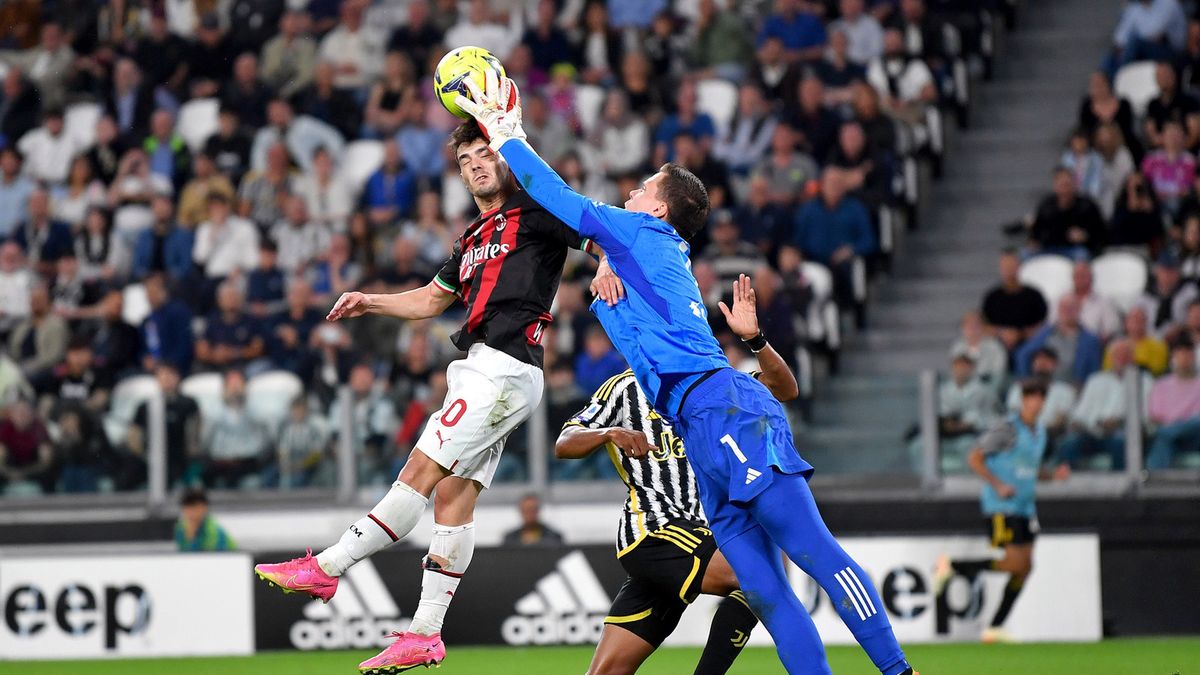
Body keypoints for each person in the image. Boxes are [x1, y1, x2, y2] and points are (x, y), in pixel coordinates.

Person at [457, 72, 915, 675]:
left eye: (643, 186)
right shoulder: (637, 254)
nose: (632, 191)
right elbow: (617, 291)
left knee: (817, 554)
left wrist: (508, 132)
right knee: (768, 595)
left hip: (725, 407)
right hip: (699, 431)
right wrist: (602, 266)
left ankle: (898, 670)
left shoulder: (647, 231)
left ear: (660, 207)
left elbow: (561, 200)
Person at [254, 121, 599, 673]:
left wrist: (605, 266)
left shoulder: (536, 211)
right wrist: (370, 301)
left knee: (421, 467)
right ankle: (424, 635)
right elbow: (432, 301)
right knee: (453, 498)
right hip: (485, 370)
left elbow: (595, 232)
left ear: (507, 159)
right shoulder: (470, 238)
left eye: (485, 155)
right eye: (465, 161)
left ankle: (329, 565)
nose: (476, 166)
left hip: (504, 367)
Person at [558, 274, 794, 675]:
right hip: (653, 531)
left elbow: (783, 388)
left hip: (700, 532)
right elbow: (565, 441)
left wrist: (755, 341)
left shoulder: (717, 384)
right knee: (758, 572)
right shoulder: (624, 389)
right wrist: (610, 433)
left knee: (605, 672)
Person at [933, 379, 1067, 644]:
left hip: (1026, 508)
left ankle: (994, 627)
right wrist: (998, 484)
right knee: (1015, 562)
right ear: (1022, 400)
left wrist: (1053, 476)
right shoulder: (1007, 429)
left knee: (1025, 568)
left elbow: (1031, 469)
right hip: (1001, 506)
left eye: (1040, 397)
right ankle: (951, 566)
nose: (1035, 402)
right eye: (1031, 396)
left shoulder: (1040, 432)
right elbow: (974, 457)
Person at [1057, 338, 1148, 471]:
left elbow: (1145, 416)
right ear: (1110, 358)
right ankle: (1068, 488)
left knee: (1120, 441)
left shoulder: (1144, 381)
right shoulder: (1095, 380)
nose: (1122, 358)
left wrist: (1119, 421)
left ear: (1133, 357)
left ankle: (1121, 488)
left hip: (1122, 431)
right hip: (1091, 433)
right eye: (1117, 354)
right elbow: (1080, 413)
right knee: (1068, 443)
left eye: (1126, 354)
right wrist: (1077, 423)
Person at [1146, 339, 1200, 469]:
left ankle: (1150, 479)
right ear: (1173, 358)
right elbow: (1157, 417)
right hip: (1172, 435)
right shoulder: (1161, 385)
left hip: (1194, 435)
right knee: (1165, 438)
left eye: (1188, 355)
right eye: (1181, 355)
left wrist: (1177, 425)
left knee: (1195, 421)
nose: (1185, 359)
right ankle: (1156, 482)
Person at [981, 250, 1048, 353]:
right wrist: (1002, 333)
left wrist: (1020, 334)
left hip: (1028, 345)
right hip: (999, 345)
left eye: (1012, 265)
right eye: (1005, 266)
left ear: (1019, 267)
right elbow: (985, 326)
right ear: (1000, 268)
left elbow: (1043, 325)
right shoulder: (992, 297)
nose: (1009, 270)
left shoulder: (1034, 295)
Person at [500, 493, 564, 546]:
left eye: (533, 510)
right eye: (527, 510)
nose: (530, 514)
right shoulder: (510, 538)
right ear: (521, 511)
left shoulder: (553, 537)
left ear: (538, 510)